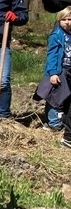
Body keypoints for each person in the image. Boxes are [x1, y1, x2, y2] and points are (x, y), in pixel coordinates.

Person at [40, 7, 71, 138]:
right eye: (64, 19)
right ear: (59, 20)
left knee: (66, 96)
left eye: (70, 19)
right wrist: (53, 73)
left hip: (69, 70)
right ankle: (53, 122)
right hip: (59, 70)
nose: (67, 22)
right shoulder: (56, 35)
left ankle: (63, 119)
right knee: (55, 97)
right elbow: (52, 55)